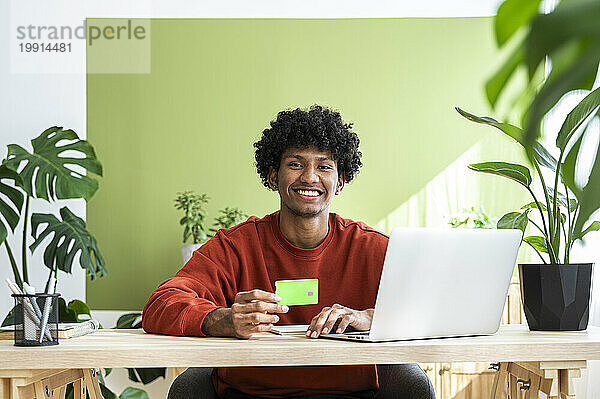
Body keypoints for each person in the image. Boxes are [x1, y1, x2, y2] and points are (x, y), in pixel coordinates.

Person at [142, 105, 435, 399]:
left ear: (341, 181)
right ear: (272, 177)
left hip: (350, 394)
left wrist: (370, 318)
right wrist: (226, 319)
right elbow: (161, 304)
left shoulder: (372, 247)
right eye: (295, 164)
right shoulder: (235, 246)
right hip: (248, 394)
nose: (309, 177)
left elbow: (431, 309)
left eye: (324, 166)